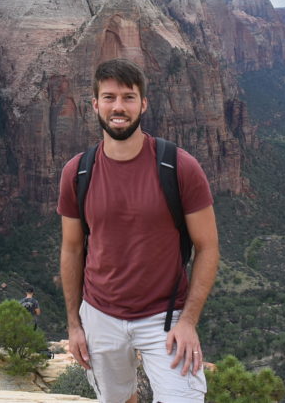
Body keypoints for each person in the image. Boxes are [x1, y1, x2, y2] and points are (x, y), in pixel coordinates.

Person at [57, 58, 219, 403]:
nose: (119, 107)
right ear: (95, 104)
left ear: (143, 104)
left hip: (165, 317)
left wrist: (188, 321)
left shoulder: (179, 166)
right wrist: (74, 325)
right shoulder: (77, 172)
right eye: (110, 97)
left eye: (129, 97)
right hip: (99, 316)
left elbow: (208, 248)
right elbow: (71, 249)